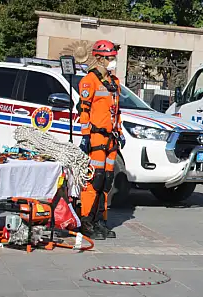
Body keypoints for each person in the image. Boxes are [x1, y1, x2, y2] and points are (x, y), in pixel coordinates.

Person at [77, 40, 125, 240]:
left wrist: (120, 131)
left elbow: (117, 110)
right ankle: (86, 221)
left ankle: (100, 220)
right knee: (94, 179)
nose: (112, 61)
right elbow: (83, 110)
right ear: (98, 58)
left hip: (111, 137)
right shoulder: (89, 81)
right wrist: (86, 135)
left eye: (113, 58)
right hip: (96, 136)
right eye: (109, 58)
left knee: (106, 181)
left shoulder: (115, 82)